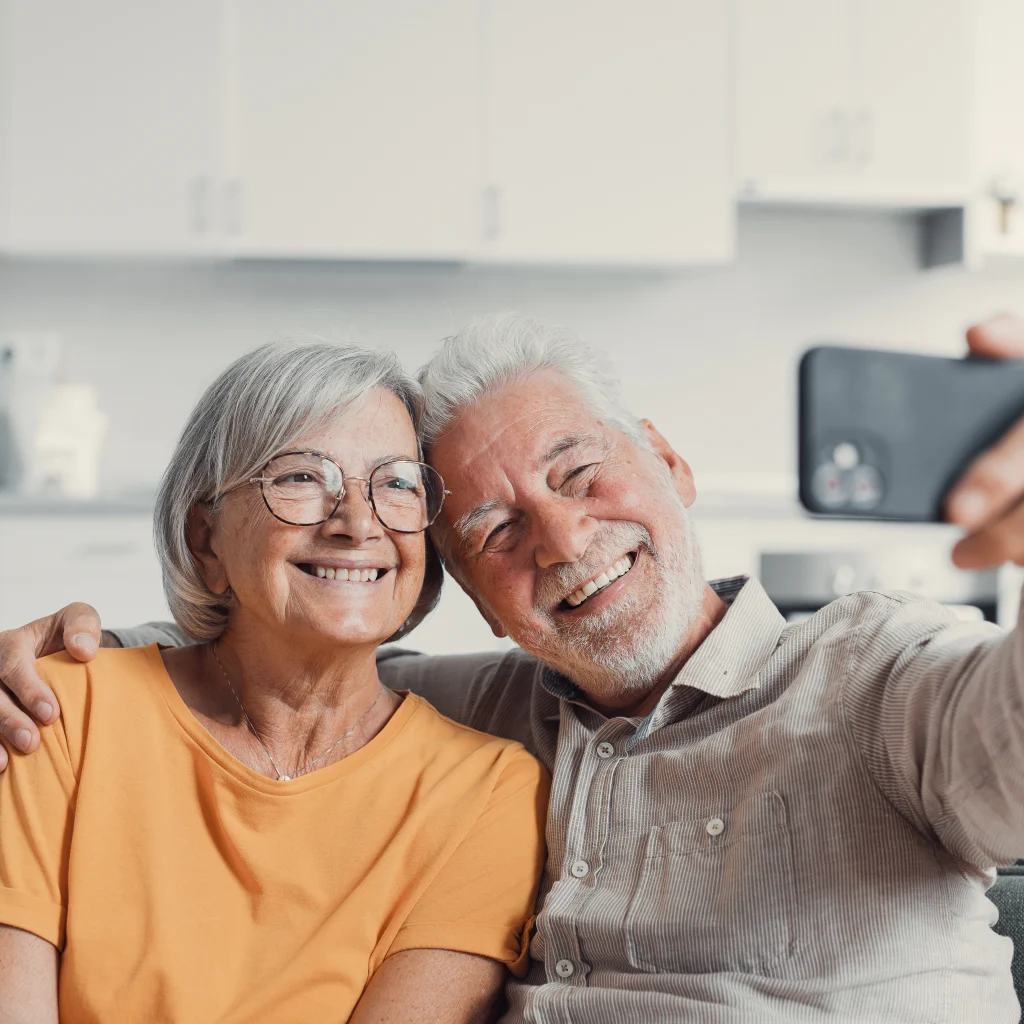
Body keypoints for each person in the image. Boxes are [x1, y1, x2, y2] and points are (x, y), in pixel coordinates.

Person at [2, 311, 1024, 1023]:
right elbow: (276, 661)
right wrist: (70, 655)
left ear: (669, 463)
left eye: (579, 473)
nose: (563, 539)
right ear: (466, 588)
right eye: (494, 528)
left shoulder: (875, 674)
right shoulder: (474, 708)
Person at [0, 340, 548, 1023]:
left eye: (397, 484)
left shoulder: (486, 792)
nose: (357, 523)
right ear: (206, 540)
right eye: (302, 477)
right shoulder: (56, 713)